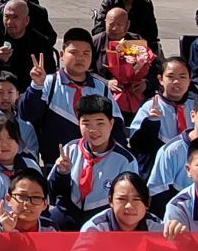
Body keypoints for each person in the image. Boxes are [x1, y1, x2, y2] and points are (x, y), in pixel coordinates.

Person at [48, 94, 139, 229]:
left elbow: (129, 198)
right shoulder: (69, 149)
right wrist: (61, 173)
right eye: (86, 123)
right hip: (70, 210)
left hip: (105, 216)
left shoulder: (125, 160)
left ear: (111, 123)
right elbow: (53, 191)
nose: (93, 130)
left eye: (100, 123)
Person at [21, 28, 116, 152]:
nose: (80, 58)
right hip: (56, 159)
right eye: (74, 52)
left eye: (86, 53)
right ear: (61, 55)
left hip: (95, 159)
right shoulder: (48, 82)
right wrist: (36, 86)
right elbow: (28, 116)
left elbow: (116, 124)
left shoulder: (101, 88)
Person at [0, 0, 58, 90]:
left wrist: (40, 75)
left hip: (30, 90)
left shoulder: (41, 42)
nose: (9, 22)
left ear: (26, 20)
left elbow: (50, 74)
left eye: (15, 17)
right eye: (6, 17)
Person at [129, 57, 195, 164]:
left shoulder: (196, 106)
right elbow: (136, 143)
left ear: (189, 81)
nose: (176, 82)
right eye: (170, 76)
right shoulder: (150, 106)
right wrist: (150, 123)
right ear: (160, 79)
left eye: (182, 77)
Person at [81, 171, 168, 233]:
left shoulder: (158, 228)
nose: (129, 206)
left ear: (147, 202)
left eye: (136, 199)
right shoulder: (95, 229)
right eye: (122, 199)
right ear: (110, 201)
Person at [93, 0, 159, 48]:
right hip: (111, 41)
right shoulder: (109, 2)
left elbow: (151, 30)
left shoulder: (145, 4)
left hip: (136, 43)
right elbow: (99, 28)